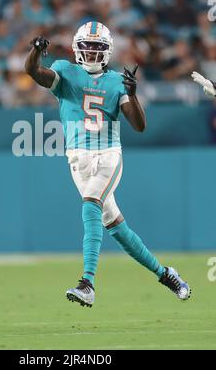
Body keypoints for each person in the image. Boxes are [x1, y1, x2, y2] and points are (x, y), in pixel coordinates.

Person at [25, 21, 191, 307]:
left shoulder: (116, 81)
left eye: (97, 48)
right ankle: (166, 274)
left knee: (91, 205)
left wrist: (133, 95)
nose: (90, 54)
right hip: (77, 159)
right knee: (116, 227)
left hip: (107, 155)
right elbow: (33, 71)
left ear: (107, 51)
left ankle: (87, 283)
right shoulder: (65, 71)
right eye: (87, 48)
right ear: (78, 48)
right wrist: (36, 52)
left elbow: (139, 126)